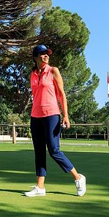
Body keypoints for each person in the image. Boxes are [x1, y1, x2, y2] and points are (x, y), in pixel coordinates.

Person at [24, 44, 86, 197]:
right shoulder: (32, 74)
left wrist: (66, 115)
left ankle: (78, 178)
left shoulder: (53, 71)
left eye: (47, 54)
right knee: (39, 152)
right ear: (35, 57)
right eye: (42, 54)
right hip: (35, 116)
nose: (46, 56)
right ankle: (40, 187)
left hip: (52, 115)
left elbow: (62, 95)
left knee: (54, 150)